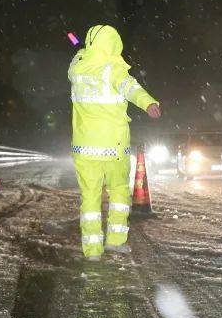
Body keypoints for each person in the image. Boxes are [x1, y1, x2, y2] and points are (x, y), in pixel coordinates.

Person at [68, 25, 161, 257]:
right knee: (118, 191)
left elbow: (78, 56)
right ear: (114, 43)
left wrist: (81, 50)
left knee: (89, 197)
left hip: (84, 146)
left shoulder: (77, 68)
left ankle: (91, 250)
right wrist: (148, 102)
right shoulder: (114, 69)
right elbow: (131, 88)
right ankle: (116, 240)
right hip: (113, 145)